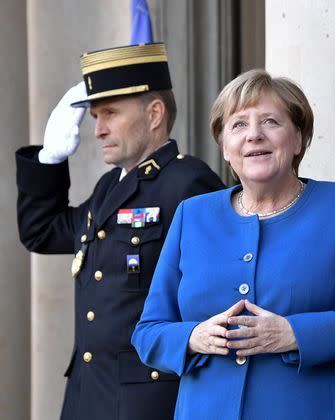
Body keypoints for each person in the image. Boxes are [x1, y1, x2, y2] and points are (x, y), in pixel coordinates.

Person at [132, 69, 335, 419]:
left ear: (297, 140)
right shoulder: (192, 215)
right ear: (225, 147)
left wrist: (294, 334)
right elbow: (148, 332)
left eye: (270, 122)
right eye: (239, 125)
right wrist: (193, 337)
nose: (254, 135)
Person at [15, 43, 225, 420]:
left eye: (109, 113)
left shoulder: (188, 182)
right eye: (95, 116)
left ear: (155, 113)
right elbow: (41, 232)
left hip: (146, 401)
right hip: (88, 395)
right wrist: (49, 158)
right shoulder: (109, 187)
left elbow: (214, 294)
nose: (97, 130)